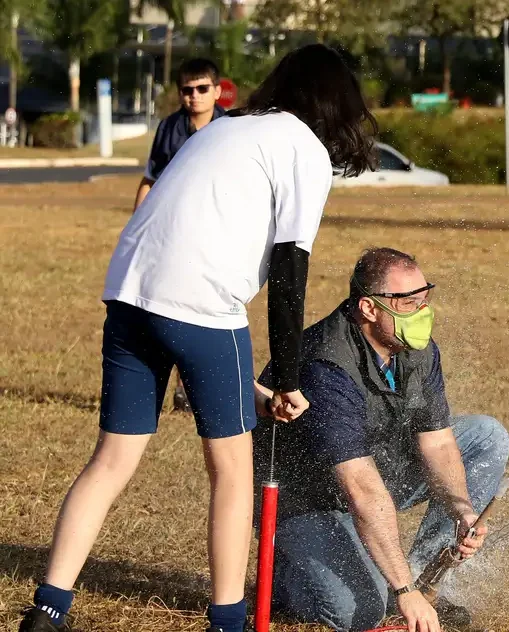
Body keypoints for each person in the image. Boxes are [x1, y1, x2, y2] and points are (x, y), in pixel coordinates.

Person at [18, 44, 377, 632]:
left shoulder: (229, 126)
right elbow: (290, 271)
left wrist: (260, 388)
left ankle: (49, 608)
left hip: (130, 290)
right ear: (339, 102)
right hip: (202, 303)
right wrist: (286, 379)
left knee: (111, 459)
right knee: (232, 470)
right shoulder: (304, 150)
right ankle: (229, 621)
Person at [252, 248, 509, 632]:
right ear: (369, 309)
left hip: (374, 465)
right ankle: (290, 577)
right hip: (308, 499)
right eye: (408, 303)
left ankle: (422, 580)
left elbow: (437, 442)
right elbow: (361, 488)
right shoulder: (325, 366)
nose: (422, 313)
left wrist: (463, 511)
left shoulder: (414, 348)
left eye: (424, 299)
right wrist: (402, 589)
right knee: (359, 612)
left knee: (485, 435)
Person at [132, 57, 227, 413]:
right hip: (171, 233)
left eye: (203, 88)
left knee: (208, 309)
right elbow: (151, 178)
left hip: (215, 233)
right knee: (172, 307)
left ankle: (202, 386)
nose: (195, 96)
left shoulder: (230, 127)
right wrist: (137, 228)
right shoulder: (169, 128)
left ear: (217, 91)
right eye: (187, 90)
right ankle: (179, 390)